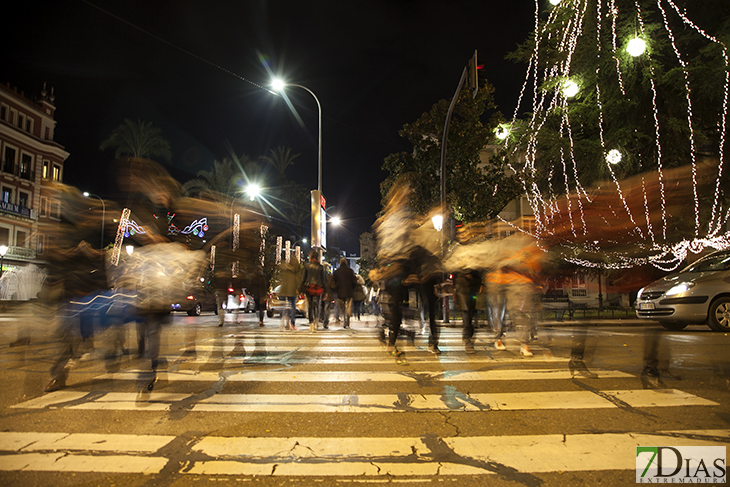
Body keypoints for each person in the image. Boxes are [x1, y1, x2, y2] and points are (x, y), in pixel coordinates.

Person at [456, 269, 483, 354]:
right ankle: (467, 339)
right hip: (463, 285)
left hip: (474, 284)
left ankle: (468, 337)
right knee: (467, 313)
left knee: (471, 313)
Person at [301, 250, 326, 331]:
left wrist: (300, 289)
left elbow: (303, 279)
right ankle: (316, 321)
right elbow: (324, 280)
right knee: (317, 305)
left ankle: (311, 323)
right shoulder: (321, 267)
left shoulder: (307, 267)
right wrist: (325, 291)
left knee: (310, 306)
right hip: (318, 288)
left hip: (308, 288)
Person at [333, 257, 357, 329]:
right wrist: (353, 288)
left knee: (342, 307)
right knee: (349, 307)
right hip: (349, 292)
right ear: (346, 263)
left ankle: (344, 319)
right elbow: (354, 282)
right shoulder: (350, 271)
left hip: (340, 292)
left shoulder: (336, 272)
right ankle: (347, 321)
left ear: (340, 263)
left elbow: (334, 283)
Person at [278, 258, 302, 330]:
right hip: (293, 290)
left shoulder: (286, 268)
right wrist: (298, 289)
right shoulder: (297, 269)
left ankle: (285, 324)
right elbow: (299, 280)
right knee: (293, 307)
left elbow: (282, 278)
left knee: (285, 307)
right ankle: (292, 324)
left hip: (285, 290)